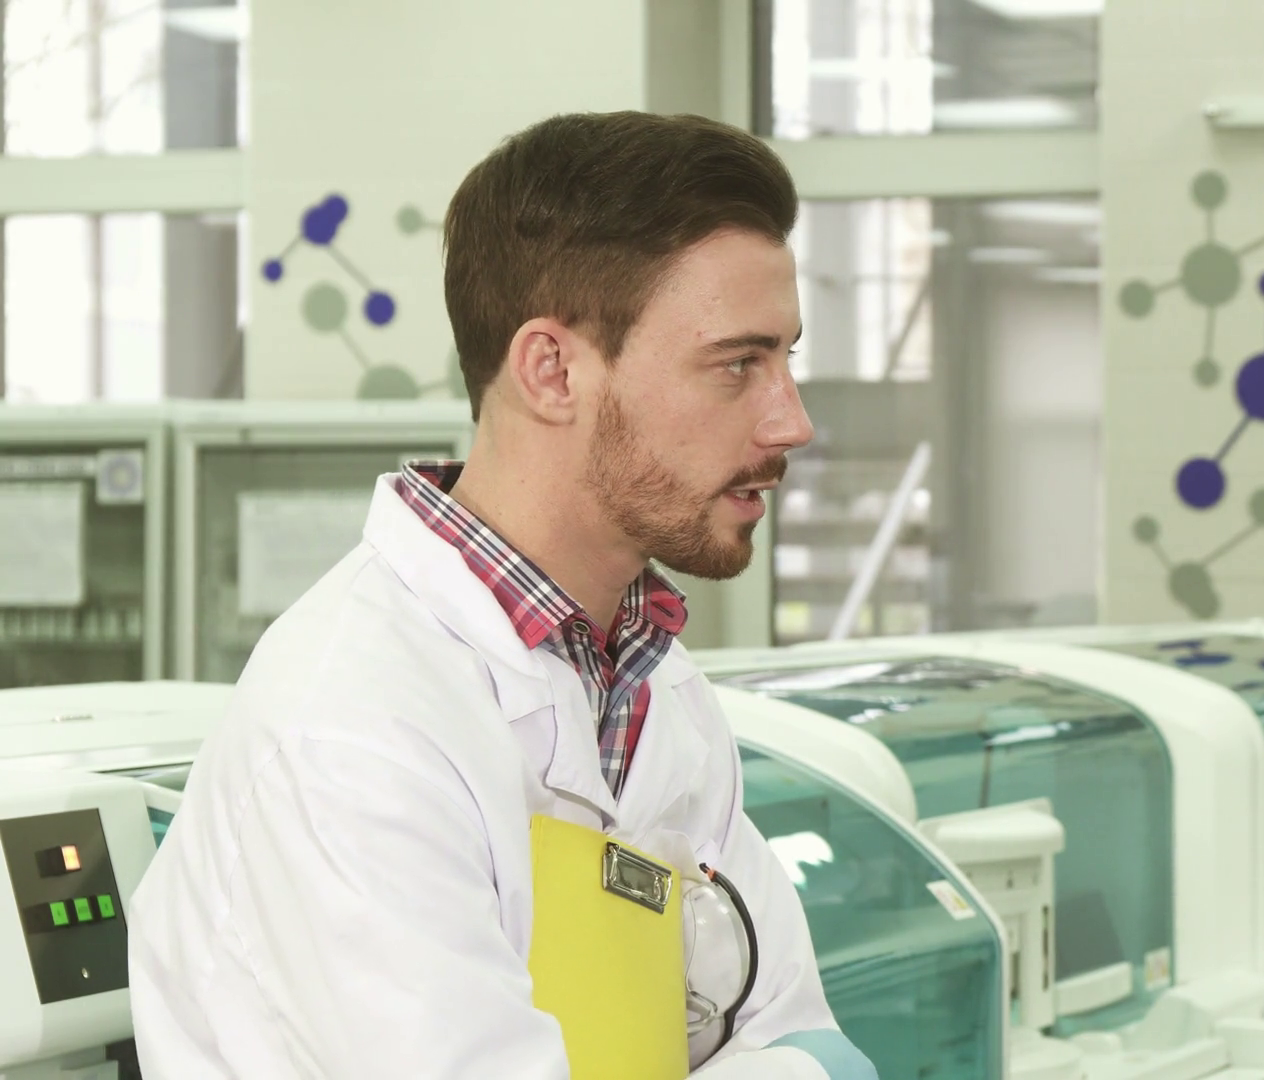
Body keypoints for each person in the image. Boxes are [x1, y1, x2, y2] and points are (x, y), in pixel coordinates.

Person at [129, 112, 876, 1080]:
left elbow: (789, 1020)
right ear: (552, 371)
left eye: (786, 359)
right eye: (739, 364)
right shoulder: (349, 723)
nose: (792, 421)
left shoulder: (653, 686)